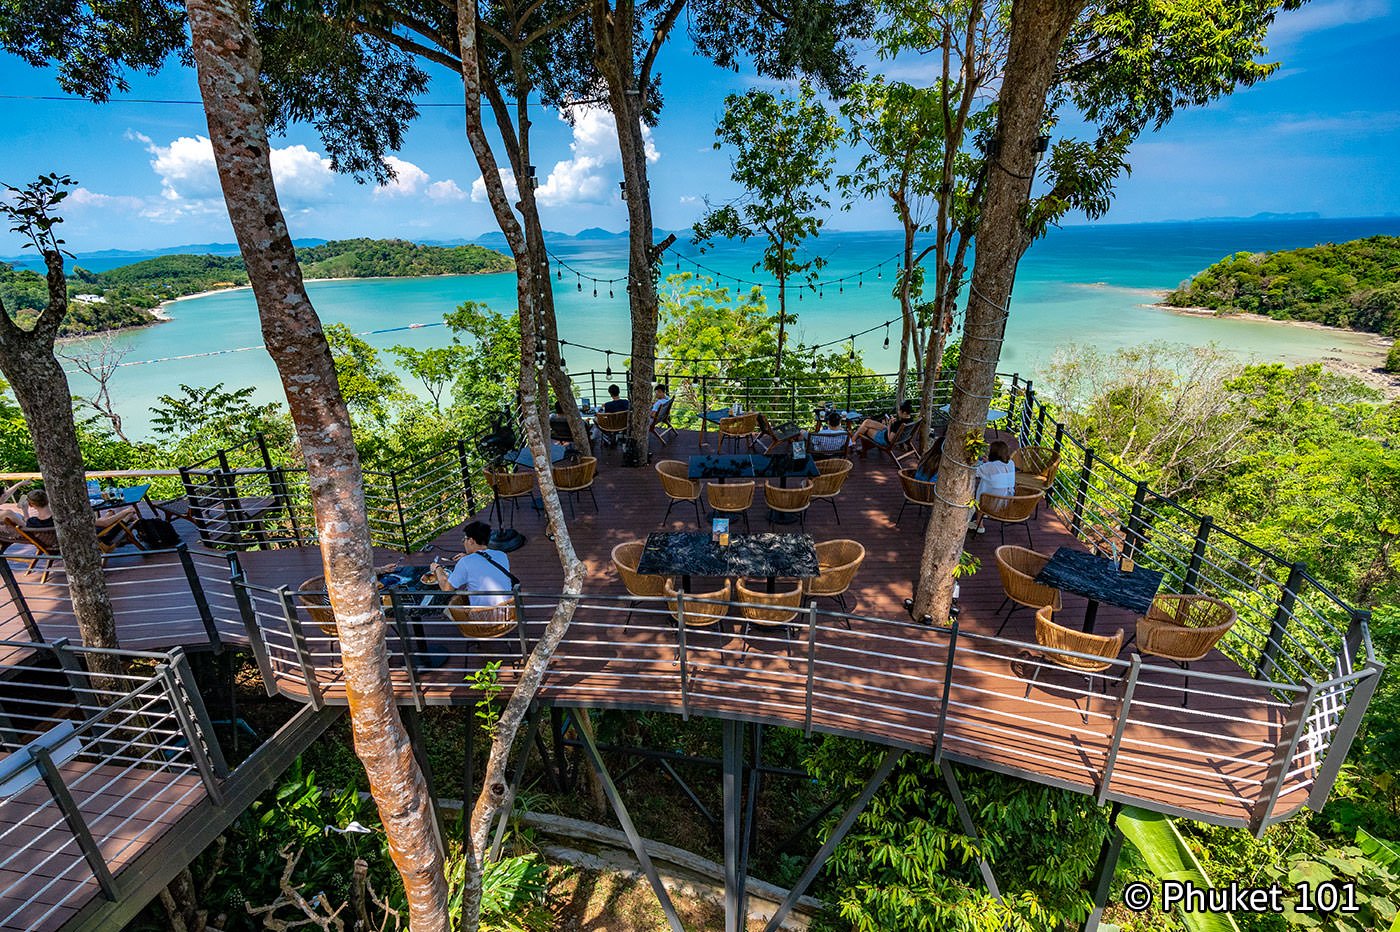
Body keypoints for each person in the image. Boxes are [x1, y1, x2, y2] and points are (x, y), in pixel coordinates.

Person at [433, 521, 515, 607]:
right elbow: (485, 565)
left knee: (448, 610)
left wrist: (437, 568)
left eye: (464, 539)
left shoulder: (465, 562)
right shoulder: (502, 555)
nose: (464, 542)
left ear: (471, 541)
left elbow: (447, 589)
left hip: (485, 614)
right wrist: (469, 556)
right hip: (507, 609)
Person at [969, 440, 1016, 532]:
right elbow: (999, 469)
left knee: (983, 486)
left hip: (990, 504)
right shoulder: (1011, 463)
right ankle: (980, 519)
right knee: (990, 482)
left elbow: (974, 472)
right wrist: (988, 463)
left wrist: (984, 464)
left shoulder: (990, 466)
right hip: (1007, 501)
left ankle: (979, 524)